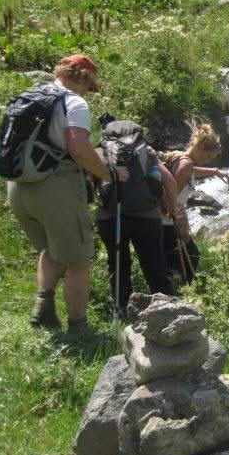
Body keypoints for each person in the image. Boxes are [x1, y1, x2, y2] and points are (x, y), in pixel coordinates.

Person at [6, 54, 128, 331]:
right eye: (90, 86)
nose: (89, 92)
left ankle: (43, 307)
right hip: (55, 188)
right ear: (82, 77)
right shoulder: (73, 102)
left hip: (18, 187)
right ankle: (79, 328)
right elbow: (79, 149)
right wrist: (109, 174)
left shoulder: (31, 95)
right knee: (78, 261)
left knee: (51, 249)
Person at [94, 118, 179, 318]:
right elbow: (168, 181)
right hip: (145, 216)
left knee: (117, 264)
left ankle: (122, 312)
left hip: (110, 216)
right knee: (154, 265)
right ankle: (168, 313)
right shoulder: (145, 150)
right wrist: (172, 209)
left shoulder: (99, 151)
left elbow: (88, 183)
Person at [158, 124, 228, 283]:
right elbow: (169, 196)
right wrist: (178, 218)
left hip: (164, 219)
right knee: (190, 258)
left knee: (175, 262)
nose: (208, 160)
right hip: (167, 221)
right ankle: (179, 297)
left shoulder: (181, 157)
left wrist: (215, 171)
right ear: (201, 147)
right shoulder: (186, 164)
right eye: (209, 156)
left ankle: (176, 291)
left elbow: (191, 170)